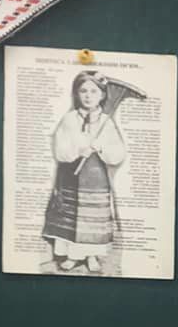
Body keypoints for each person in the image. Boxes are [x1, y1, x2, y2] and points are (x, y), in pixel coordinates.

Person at [42, 71, 127, 275]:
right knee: (71, 217)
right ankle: (72, 255)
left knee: (91, 218)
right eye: (83, 91)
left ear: (102, 95)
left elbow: (118, 154)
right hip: (70, 176)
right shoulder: (69, 120)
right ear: (76, 94)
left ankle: (91, 255)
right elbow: (60, 150)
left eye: (93, 91)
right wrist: (79, 150)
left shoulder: (106, 122)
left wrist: (101, 147)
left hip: (95, 179)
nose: (88, 96)